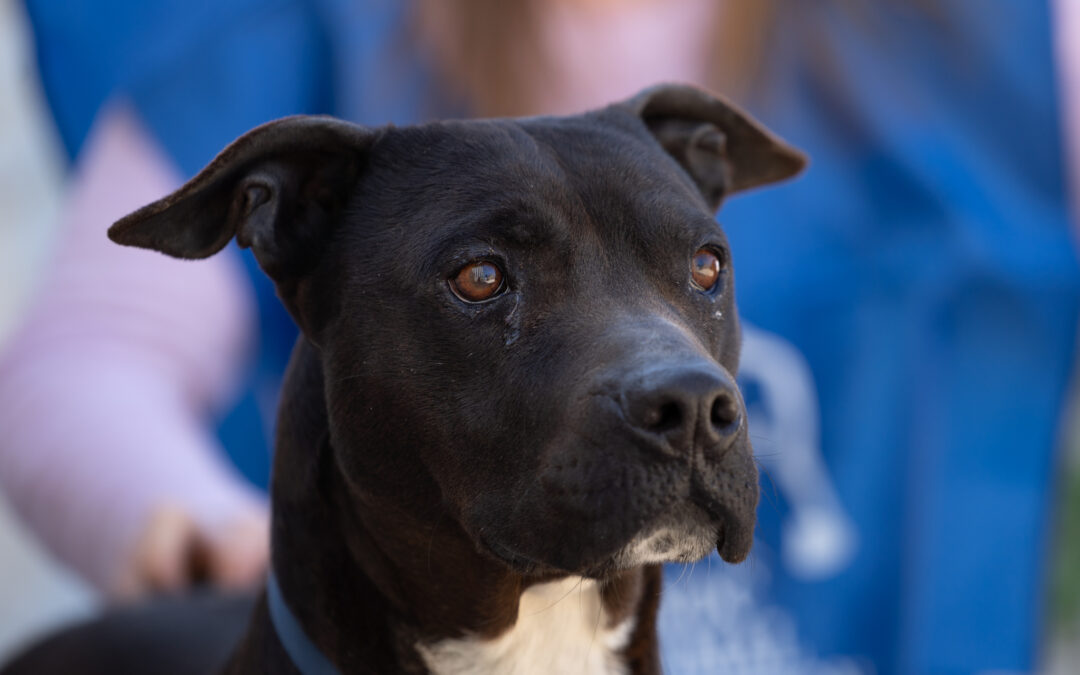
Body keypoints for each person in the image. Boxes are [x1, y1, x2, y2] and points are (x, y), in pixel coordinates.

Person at [1, 0, 1077, 672]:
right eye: (483, 279)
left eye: (698, 269)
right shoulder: (289, 32)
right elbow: (93, 356)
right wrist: (184, 521)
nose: (682, 384)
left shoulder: (1003, 30)